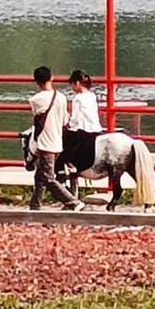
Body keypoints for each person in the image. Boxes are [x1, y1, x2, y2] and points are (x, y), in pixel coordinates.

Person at [28, 66, 84, 212]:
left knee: (48, 178)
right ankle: (35, 205)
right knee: (40, 176)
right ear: (51, 78)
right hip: (58, 142)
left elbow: (36, 120)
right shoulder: (61, 97)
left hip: (45, 143)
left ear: (36, 81)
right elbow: (65, 120)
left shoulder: (35, 100)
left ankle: (72, 201)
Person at [58, 70, 103, 176]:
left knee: (65, 142)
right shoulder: (92, 96)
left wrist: (69, 126)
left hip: (84, 130)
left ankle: (67, 164)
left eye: (72, 84)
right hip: (96, 128)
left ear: (77, 83)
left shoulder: (78, 98)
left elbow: (76, 119)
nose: (72, 87)